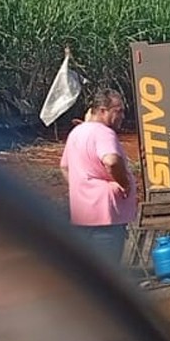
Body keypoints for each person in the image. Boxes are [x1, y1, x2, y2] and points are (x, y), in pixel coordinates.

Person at [60, 88, 138, 273]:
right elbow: (111, 161)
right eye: (118, 111)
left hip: (83, 215)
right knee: (108, 270)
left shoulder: (76, 132)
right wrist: (124, 183)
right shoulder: (104, 133)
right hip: (106, 216)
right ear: (103, 110)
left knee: (88, 271)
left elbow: (64, 167)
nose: (122, 116)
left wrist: (81, 188)